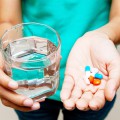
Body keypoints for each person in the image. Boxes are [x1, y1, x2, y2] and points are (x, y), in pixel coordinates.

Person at [0, 0, 120, 120]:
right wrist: (7, 53)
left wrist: (103, 36)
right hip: (29, 83)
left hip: (92, 79)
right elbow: (8, 20)